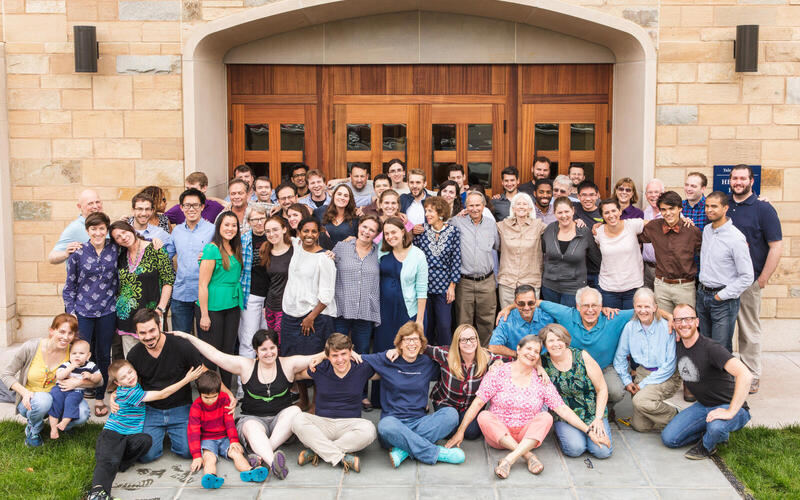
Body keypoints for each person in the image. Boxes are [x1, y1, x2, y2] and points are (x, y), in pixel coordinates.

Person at [447, 334, 609, 479]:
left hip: (528, 435)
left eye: (536, 351)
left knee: (546, 417)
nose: (532, 353)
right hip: (499, 435)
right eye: (528, 348)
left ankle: (509, 459)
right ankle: (528, 456)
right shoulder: (498, 372)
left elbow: (562, 409)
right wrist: (460, 431)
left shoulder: (541, 379)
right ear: (518, 349)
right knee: (483, 416)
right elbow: (478, 403)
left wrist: (588, 431)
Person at [174, 328, 320, 479]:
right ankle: (273, 463)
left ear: (277, 347)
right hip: (253, 420)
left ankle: (261, 455)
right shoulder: (246, 366)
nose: (269, 353)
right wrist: (188, 337)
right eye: (263, 349)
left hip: (280, 423)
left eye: (272, 348)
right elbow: (215, 355)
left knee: (295, 411)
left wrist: (344, 353)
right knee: (250, 426)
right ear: (256, 350)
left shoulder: (288, 363)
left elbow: (318, 356)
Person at [498, 286, 635, 408]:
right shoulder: (566, 314)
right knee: (556, 386)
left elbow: (642, 310)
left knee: (616, 391)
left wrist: (656, 312)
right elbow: (534, 302)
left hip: (604, 367)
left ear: (601, 306)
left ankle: (606, 407)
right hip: (572, 367)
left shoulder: (614, 317)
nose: (590, 310)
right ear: (578, 306)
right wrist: (508, 308)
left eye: (595, 305)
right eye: (585, 305)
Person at [86, 360, 204, 500]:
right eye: (123, 377)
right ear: (118, 383)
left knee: (145, 440)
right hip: (114, 432)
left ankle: (120, 464)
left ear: (135, 370)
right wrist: (186, 380)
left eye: (130, 372)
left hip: (130, 435)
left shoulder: (133, 386)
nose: (129, 377)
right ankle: (97, 492)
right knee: (108, 460)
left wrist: (113, 395)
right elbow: (162, 394)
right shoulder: (130, 393)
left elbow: (120, 390)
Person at [362, 322, 465, 467]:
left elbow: (454, 353)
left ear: (421, 343)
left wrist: (495, 362)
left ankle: (403, 450)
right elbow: (356, 358)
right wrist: (324, 354)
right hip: (394, 422)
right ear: (400, 343)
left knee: (451, 415)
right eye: (407, 340)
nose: (412, 343)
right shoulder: (388, 359)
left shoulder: (428, 363)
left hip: (420, 421)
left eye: (416, 339)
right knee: (385, 426)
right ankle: (437, 453)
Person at [661, 304, 753, 460]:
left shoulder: (711, 348)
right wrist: (669, 317)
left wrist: (730, 411)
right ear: (674, 324)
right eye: (679, 320)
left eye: (688, 319)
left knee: (717, 428)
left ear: (697, 322)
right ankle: (709, 431)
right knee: (670, 439)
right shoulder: (676, 343)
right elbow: (653, 308)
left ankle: (707, 445)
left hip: (730, 405)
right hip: (703, 405)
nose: (684, 324)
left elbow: (745, 374)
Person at [727, 164, 783, 394]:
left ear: (751, 181)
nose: (738, 182)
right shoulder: (723, 205)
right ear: (729, 181)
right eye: (734, 178)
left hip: (750, 282)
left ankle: (751, 375)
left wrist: (763, 278)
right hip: (723, 281)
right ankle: (729, 373)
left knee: (749, 331)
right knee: (724, 331)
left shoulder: (764, 209)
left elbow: (776, 246)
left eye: (742, 178)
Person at [1, 314, 95, 447]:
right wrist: (25, 393)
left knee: (83, 413)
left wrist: (79, 382)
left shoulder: (74, 352)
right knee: (44, 400)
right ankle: (34, 429)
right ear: (52, 331)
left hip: (59, 399)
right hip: (33, 402)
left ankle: (62, 426)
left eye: (70, 333)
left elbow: (98, 381)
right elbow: (6, 374)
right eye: (61, 331)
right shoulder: (31, 347)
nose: (65, 337)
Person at [292, 333, 378, 472]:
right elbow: (294, 373)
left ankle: (318, 451)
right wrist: (319, 356)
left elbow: (385, 368)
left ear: (351, 352)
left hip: (350, 425)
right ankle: (339, 456)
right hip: (322, 424)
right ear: (328, 356)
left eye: (343, 354)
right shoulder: (320, 368)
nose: (340, 360)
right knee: (298, 420)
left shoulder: (362, 368)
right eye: (334, 355)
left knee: (369, 430)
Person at [63, 211, 118, 416]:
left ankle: (99, 395)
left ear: (107, 229)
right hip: (83, 310)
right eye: (93, 229)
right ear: (87, 230)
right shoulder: (78, 252)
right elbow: (69, 286)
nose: (97, 232)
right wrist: (72, 312)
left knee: (104, 353)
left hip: (107, 309)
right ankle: (79, 390)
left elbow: (133, 240)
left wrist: (154, 241)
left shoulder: (115, 248)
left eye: (101, 228)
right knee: (81, 354)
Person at [281, 218, 337, 407]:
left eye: (314, 231)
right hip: (291, 314)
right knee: (293, 359)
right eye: (306, 231)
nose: (309, 235)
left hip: (315, 317)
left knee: (315, 361)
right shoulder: (296, 247)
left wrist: (311, 317)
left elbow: (327, 294)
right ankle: (303, 399)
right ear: (299, 232)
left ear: (319, 233)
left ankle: (315, 404)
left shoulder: (325, 259)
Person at [613, 288, 681, 432]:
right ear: (634, 307)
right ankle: (657, 412)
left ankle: (676, 417)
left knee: (640, 401)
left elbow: (669, 365)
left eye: (647, 306)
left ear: (655, 307)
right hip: (643, 372)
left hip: (666, 375)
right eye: (639, 306)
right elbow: (619, 358)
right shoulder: (630, 328)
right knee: (641, 427)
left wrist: (643, 384)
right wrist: (627, 381)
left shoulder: (666, 327)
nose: (643, 310)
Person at [540, 324, 612, 459]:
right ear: (544, 344)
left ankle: (591, 430)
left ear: (566, 341)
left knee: (602, 451)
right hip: (564, 414)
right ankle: (565, 432)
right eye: (551, 341)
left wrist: (598, 419)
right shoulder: (542, 362)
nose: (556, 344)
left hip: (590, 411)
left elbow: (602, 388)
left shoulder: (581, 356)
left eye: (559, 339)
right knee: (575, 449)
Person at [188, 371, 269, 489]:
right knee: (209, 458)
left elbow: (229, 422)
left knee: (236, 453)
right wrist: (196, 456)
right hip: (208, 439)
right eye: (206, 397)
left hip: (225, 437)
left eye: (214, 396)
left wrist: (234, 440)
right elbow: (193, 431)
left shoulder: (224, 399)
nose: (210, 400)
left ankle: (250, 472)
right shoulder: (196, 406)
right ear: (199, 393)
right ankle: (210, 477)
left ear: (219, 392)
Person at [332, 215, 382, 409]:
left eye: (372, 229)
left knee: (361, 354)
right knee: (338, 353)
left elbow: (403, 233)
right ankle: (338, 393)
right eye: (364, 227)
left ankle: (360, 394)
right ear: (358, 227)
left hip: (365, 311)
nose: (366, 231)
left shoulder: (379, 252)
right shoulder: (341, 247)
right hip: (343, 308)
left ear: (377, 235)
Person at [697, 191, 753, 353]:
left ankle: (725, 379)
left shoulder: (736, 238)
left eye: (714, 206)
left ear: (725, 208)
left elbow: (747, 276)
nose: (709, 210)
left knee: (721, 349)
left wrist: (721, 295)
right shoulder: (707, 230)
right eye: (707, 206)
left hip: (723, 300)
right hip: (703, 295)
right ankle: (709, 379)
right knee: (705, 345)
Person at [111, 220, 174, 356]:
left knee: (156, 356)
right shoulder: (120, 256)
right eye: (117, 237)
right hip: (126, 318)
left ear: (131, 229)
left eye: (124, 232)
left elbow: (168, 280)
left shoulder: (156, 249)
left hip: (151, 315)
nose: (123, 237)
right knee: (132, 359)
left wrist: (161, 308)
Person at [197, 211, 243, 389]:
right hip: (213, 306)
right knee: (211, 351)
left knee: (228, 350)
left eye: (234, 225)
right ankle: (207, 389)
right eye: (226, 225)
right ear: (219, 227)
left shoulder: (235, 247)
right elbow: (202, 284)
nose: (230, 229)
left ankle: (226, 390)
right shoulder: (211, 249)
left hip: (232, 305)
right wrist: (204, 314)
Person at [449, 191, 499, 344]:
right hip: (465, 282)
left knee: (487, 322)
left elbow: (497, 246)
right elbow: (441, 226)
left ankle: (484, 355)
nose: (475, 208)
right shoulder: (457, 222)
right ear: (465, 207)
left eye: (478, 205)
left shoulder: (491, 224)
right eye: (471, 205)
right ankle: (465, 355)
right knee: (464, 322)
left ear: (484, 206)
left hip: (487, 281)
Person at [639, 191, 702, 312]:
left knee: (686, 323)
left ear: (680, 208)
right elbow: (631, 234)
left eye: (671, 208)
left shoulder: (692, 231)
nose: (667, 213)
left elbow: (706, 254)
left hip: (685, 286)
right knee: (663, 324)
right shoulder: (654, 227)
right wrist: (603, 226)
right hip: (661, 285)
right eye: (663, 210)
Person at [414, 196, 461, 345]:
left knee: (444, 326)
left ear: (441, 213)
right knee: (426, 326)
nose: (427, 214)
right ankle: (425, 358)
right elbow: (407, 243)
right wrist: (409, 226)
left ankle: (446, 360)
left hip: (443, 287)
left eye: (430, 211)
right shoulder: (421, 229)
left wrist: (452, 286)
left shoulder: (453, 231)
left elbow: (456, 260)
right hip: (423, 286)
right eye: (426, 211)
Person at [170, 188, 216, 335]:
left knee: (206, 341)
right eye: (187, 205)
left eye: (195, 205)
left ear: (202, 207)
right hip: (181, 293)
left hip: (206, 294)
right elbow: (167, 255)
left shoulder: (212, 230)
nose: (191, 209)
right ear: (181, 208)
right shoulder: (176, 231)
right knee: (181, 340)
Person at [541, 197, 599, 307]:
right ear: (554, 213)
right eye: (560, 212)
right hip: (550, 287)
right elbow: (544, 250)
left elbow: (596, 259)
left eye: (567, 211)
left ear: (573, 211)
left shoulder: (584, 232)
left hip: (574, 290)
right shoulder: (549, 230)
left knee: (568, 322)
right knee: (551, 322)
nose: (564, 215)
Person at [496, 192, 546, 308]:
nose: (522, 206)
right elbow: (486, 226)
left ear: (530, 208)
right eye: (518, 204)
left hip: (531, 282)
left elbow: (558, 230)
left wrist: (577, 222)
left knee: (530, 318)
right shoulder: (502, 225)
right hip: (507, 282)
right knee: (507, 317)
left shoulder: (539, 226)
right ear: (513, 208)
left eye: (525, 204)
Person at [594, 198, 645, 309]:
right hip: (608, 288)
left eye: (614, 211)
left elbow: (658, 223)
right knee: (612, 322)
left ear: (620, 211)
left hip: (633, 286)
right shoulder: (598, 232)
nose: (611, 215)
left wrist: (682, 218)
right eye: (606, 212)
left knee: (632, 322)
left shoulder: (632, 225)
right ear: (602, 215)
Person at [47, 339, 101, 439]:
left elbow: (99, 378)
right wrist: (70, 368)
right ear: (70, 355)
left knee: (71, 402)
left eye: (81, 353)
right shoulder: (67, 364)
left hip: (76, 391)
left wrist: (91, 376)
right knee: (55, 403)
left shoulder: (90, 366)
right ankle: (53, 429)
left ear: (88, 356)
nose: (77, 356)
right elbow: (59, 375)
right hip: (60, 388)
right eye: (74, 353)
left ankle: (64, 423)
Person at [238, 205, 270, 363]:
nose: (259, 222)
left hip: (273, 298)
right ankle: (243, 386)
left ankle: (267, 379)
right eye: (255, 219)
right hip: (251, 295)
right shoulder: (242, 240)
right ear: (249, 222)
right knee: (248, 339)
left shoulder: (274, 237)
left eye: (262, 218)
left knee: (268, 341)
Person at [489, 285, 552, 358]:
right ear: (515, 303)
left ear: (536, 302)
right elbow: (493, 347)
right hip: (517, 361)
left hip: (544, 361)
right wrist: (520, 355)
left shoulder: (547, 316)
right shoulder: (507, 320)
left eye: (530, 303)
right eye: (521, 304)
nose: (526, 307)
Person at [259, 216, 293, 339]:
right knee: (273, 342)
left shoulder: (295, 250)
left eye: (275, 230)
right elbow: (266, 283)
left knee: (284, 341)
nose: (271, 234)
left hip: (288, 307)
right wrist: (264, 306)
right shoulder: (266, 251)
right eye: (268, 231)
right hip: (271, 306)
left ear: (284, 229)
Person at [48, 189, 103, 264]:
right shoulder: (74, 228)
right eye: (90, 203)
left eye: (97, 202)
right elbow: (52, 257)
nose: (95, 206)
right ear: (79, 206)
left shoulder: (106, 225)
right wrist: (66, 254)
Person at [573, 180, 603, 288]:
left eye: (592, 195)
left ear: (597, 195)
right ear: (578, 196)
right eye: (584, 195)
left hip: (599, 270)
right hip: (578, 271)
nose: (588, 199)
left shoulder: (604, 212)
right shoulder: (572, 208)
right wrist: (574, 221)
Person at [128, 192, 175, 258]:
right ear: (133, 210)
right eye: (140, 209)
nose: (144, 213)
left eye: (147, 209)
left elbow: (173, 247)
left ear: (152, 211)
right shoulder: (123, 231)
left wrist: (161, 258)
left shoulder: (160, 233)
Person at [641, 179, 665, 289]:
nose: (653, 195)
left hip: (665, 269)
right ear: (646, 195)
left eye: (657, 192)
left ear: (663, 194)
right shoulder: (645, 212)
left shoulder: (670, 213)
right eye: (650, 192)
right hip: (647, 269)